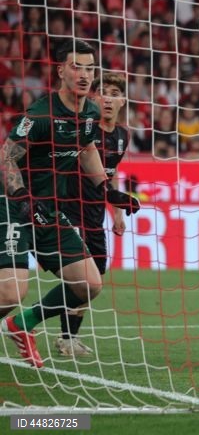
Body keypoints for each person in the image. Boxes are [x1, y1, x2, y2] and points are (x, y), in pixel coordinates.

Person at [0, 40, 140, 368]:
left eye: (90, 68)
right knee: (10, 294)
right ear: (61, 71)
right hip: (13, 207)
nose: (84, 75)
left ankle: (21, 324)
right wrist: (21, 198)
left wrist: (108, 190)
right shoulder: (41, 115)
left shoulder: (90, 112)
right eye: (77, 67)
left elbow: (87, 148)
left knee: (89, 283)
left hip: (49, 210)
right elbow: (6, 156)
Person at [56, 72, 130, 357]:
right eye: (103, 93)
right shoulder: (84, 128)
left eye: (114, 94)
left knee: (95, 280)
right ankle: (66, 338)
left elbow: (112, 173)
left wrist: (118, 214)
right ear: (94, 98)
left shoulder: (122, 136)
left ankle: (69, 337)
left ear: (123, 101)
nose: (108, 99)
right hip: (70, 210)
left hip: (96, 216)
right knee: (81, 277)